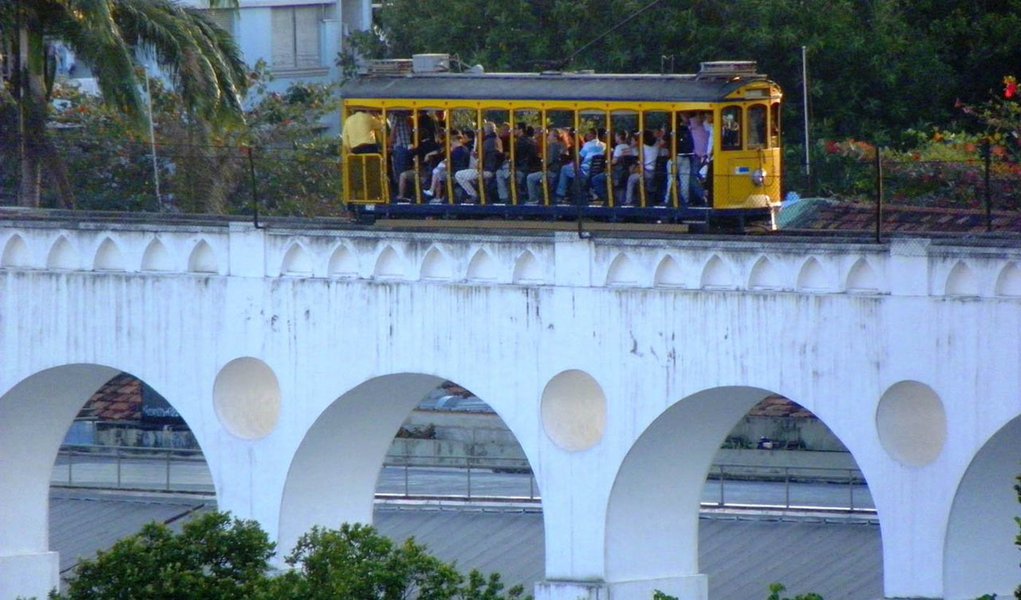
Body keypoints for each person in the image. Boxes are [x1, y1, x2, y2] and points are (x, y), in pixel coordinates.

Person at [554, 128, 606, 202]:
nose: (586, 136)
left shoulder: (588, 145)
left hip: (585, 171)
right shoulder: (604, 145)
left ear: (592, 135)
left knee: (564, 168)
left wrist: (573, 163)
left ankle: (561, 194)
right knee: (569, 168)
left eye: (587, 134)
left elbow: (579, 158)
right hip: (596, 171)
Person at [526, 128, 565, 205]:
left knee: (530, 177)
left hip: (551, 172)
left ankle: (533, 199)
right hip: (556, 171)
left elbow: (549, 161)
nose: (547, 137)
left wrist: (542, 161)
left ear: (555, 137)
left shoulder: (553, 146)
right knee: (537, 176)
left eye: (550, 135)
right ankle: (539, 198)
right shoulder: (561, 145)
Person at [625, 130, 659, 206]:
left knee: (631, 178)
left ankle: (628, 201)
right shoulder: (656, 145)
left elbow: (641, 161)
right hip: (653, 171)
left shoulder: (642, 147)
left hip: (646, 172)